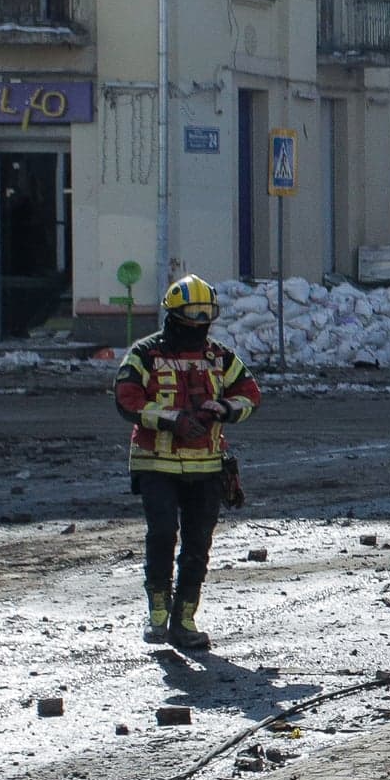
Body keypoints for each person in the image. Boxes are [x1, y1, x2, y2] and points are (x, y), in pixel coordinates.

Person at [114, 275, 261, 651]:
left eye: (205, 315)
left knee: (198, 545)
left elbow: (250, 394)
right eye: (191, 315)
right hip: (155, 465)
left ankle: (185, 619)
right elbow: (127, 399)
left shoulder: (219, 356)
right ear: (174, 315)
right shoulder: (145, 353)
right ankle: (158, 612)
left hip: (207, 467)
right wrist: (170, 418)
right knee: (162, 534)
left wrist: (224, 408)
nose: (198, 323)